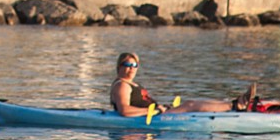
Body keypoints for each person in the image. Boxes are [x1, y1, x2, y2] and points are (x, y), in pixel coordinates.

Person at [108, 52, 253, 116]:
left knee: (193, 102)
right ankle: (236, 106)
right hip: (153, 116)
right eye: (127, 64)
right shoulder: (122, 85)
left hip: (157, 112)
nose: (131, 68)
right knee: (190, 105)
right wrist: (154, 111)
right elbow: (124, 111)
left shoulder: (131, 84)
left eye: (135, 65)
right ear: (119, 66)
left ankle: (232, 103)